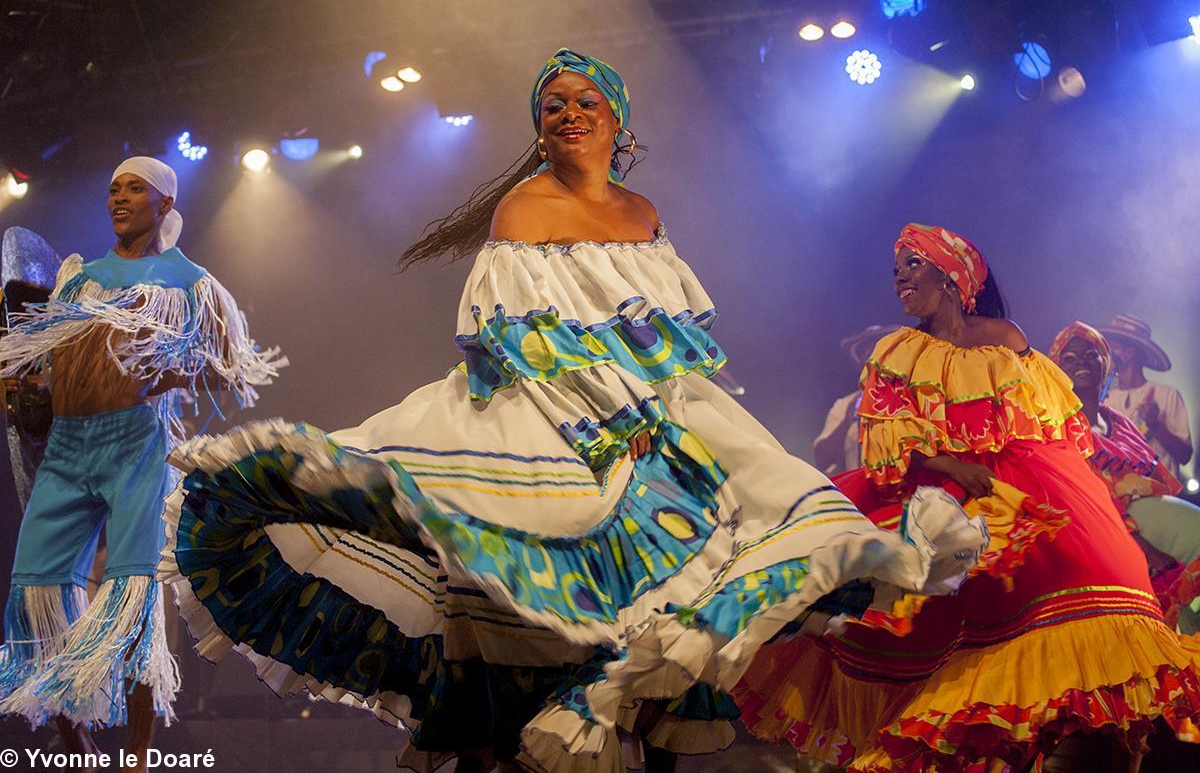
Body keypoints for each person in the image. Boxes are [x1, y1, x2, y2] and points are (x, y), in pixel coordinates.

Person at [158, 50, 986, 773]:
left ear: (617, 118)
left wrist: (649, 405)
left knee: (712, 566)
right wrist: (598, 410)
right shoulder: (523, 208)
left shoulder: (643, 214)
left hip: (652, 416)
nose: (567, 114)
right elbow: (512, 334)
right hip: (556, 413)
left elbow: (670, 334)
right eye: (552, 105)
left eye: (585, 101)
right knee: (529, 593)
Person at [734, 224, 1200, 773]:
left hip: (1023, 484)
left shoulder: (1005, 336)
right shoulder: (900, 349)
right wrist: (949, 463)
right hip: (938, 498)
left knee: (1085, 591)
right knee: (932, 633)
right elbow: (884, 433)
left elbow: (1048, 420)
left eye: (913, 265)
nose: (900, 278)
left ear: (952, 274)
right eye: (897, 269)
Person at [0, 157, 284, 772]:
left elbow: (230, 367)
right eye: (113, 189)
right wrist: (29, 385)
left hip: (136, 444)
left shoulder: (190, 282)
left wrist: (168, 370)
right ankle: (76, 737)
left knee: (132, 599)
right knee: (34, 590)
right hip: (69, 447)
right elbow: (50, 358)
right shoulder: (78, 277)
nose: (119, 198)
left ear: (164, 206)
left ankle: (137, 759)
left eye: (135, 189)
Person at [1050, 321, 1200, 635]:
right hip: (1121, 536)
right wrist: (1144, 548)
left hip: (1161, 527)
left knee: (1185, 625)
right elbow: (1085, 499)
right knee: (1170, 629)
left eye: (1091, 354)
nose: (1082, 363)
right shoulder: (1058, 425)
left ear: (1106, 364)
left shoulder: (1116, 419)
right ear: (1054, 370)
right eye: (1069, 358)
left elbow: (1162, 472)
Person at [1102, 314, 1193, 480]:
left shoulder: (1167, 395)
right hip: (1116, 499)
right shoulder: (1105, 400)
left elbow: (1184, 455)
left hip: (1158, 500)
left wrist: (1156, 425)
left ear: (1129, 353)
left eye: (1112, 348)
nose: (1106, 355)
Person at [813, 325, 898, 475]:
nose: (872, 358)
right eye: (866, 353)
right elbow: (822, 460)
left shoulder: (911, 396)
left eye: (879, 350)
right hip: (860, 493)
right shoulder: (846, 404)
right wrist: (850, 413)